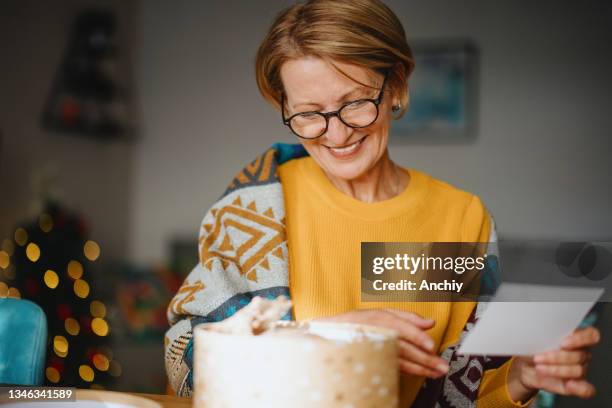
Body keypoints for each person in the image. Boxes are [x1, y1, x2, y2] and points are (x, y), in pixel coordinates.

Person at [164, 0, 600, 405]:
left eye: (355, 104)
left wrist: (521, 377)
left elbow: (457, 390)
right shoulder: (252, 209)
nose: (336, 136)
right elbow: (186, 360)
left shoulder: (459, 218)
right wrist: (336, 335)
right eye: (309, 113)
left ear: (396, 85)